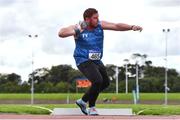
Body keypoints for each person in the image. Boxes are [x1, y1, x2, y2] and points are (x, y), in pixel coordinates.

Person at [58, 8, 143, 115]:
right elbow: (61, 33)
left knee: (105, 82)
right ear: (87, 19)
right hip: (83, 59)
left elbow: (116, 26)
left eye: (98, 17)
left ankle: (83, 101)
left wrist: (131, 27)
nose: (97, 20)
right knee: (97, 80)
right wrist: (78, 30)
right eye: (95, 18)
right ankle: (92, 107)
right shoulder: (78, 27)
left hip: (96, 60)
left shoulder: (100, 25)